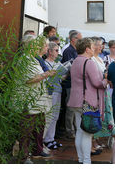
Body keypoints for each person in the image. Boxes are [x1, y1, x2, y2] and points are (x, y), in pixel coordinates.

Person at [67, 38, 107, 164]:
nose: (94, 48)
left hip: (75, 100)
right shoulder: (89, 63)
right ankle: (86, 161)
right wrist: (105, 81)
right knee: (87, 133)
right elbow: (97, 83)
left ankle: (81, 159)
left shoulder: (75, 61)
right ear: (87, 49)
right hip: (87, 102)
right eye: (92, 46)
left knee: (80, 131)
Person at [19, 35, 56, 163]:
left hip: (37, 101)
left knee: (37, 127)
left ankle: (35, 151)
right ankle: (23, 157)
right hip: (28, 101)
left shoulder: (33, 59)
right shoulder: (25, 59)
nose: (39, 47)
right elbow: (29, 79)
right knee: (26, 131)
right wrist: (46, 74)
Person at [91, 37, 115, 151]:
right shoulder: (91, 59)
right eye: (100, 45)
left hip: (104, 89)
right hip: (96, 90)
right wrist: (104, 76)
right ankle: (93, 140)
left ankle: (98, 138)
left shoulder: (100, 59)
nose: (102, 47)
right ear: (94, 46)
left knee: (103, 115)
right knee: (95, 115)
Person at [43, 42, 65, 149]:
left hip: (58, 90)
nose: (58, 53)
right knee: (49, 115)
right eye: (56, 50)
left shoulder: (58, 64)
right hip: (49, 91)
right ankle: (45, 139)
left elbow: (62, 78)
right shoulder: (45, 63)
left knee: (55, 115)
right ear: (50, 51)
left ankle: (50, 138)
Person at [61, 31, 82, 139]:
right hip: (69, 83)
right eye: (79, 39)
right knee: (70, 108)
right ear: (73, 39)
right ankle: (69, 131)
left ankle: (74, 129)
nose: (81, 41)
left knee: (74, 107)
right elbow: (70, 66)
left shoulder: (76, 50)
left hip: (75, 83)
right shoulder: (69, 50)